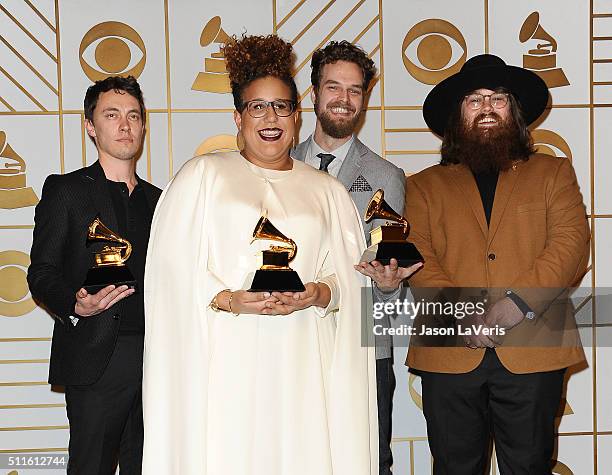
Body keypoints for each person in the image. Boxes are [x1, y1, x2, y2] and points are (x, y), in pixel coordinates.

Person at [141, 35, 378, 475]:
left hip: (303, 365)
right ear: (238, 116)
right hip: (228, 363)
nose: (271, 118)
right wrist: (229, 298)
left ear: (296, 113)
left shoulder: (328, 191)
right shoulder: (202, 177)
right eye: (257, 107)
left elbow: (348, 279)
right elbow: (170, 273)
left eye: (282, 106)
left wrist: (319, 292)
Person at [405, 54, 590, 474]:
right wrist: (467, 313)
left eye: (498, 98)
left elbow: (571, 244)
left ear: (515, 111)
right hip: (450, 345)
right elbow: (418, 255)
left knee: (529, 466)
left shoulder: (553, 173)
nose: (486, 107)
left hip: (535, 344)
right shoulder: (421, 186)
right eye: (474, 100)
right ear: (457, 115)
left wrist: (513, 305)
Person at [292, 40, 421, 475]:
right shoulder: (278, 162)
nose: (343, 100)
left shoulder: (387, 176)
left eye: (355, 90)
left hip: (363, 349)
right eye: (333, 87)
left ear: (364, 98)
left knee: (367, 460)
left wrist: (390, 285)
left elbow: (391, 282)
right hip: (292, 342)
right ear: (313, 93)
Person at [27, 76, 162, 474]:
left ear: (143, 124)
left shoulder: (162, 201)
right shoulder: (67, 190)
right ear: (91, 126)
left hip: (157, 359)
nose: (125, 125)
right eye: (112, 114)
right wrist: (74, 303)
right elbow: (42, 271)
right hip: (96, 354)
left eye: (133, 115)